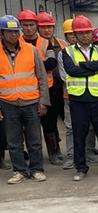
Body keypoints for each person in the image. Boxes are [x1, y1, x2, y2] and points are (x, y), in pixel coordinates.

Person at [61, 19, 98, 181]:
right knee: (79, 134)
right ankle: (80, 168)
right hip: (78, 99)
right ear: (75, 34)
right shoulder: (67, 51)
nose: (85, 35)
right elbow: (71, 71)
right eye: (81, 32)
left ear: (91, 33)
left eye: (87, 32)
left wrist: (83, 66)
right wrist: (92, 67)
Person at [0, 15, 50, 184]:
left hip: (31, 102)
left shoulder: (31, 49)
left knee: (34, 139)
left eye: (16, 31)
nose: (14, 35)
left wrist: (43, 101)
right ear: (2, 33)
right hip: (8, 103)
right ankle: (19, 170)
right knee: (14, 140)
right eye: (10, 32)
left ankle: (36, 169)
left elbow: (42, 77)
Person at [23, 11, 66, 165]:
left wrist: (31, 66)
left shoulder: (47, 43)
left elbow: (52, 63)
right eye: (43, 27)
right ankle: (34, 156)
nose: (47, 30)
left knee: (50, 121)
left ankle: (54, 152)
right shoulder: (19, 42)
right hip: (25, 89)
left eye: (50, 27)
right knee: (28, 126)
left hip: (50, 87)